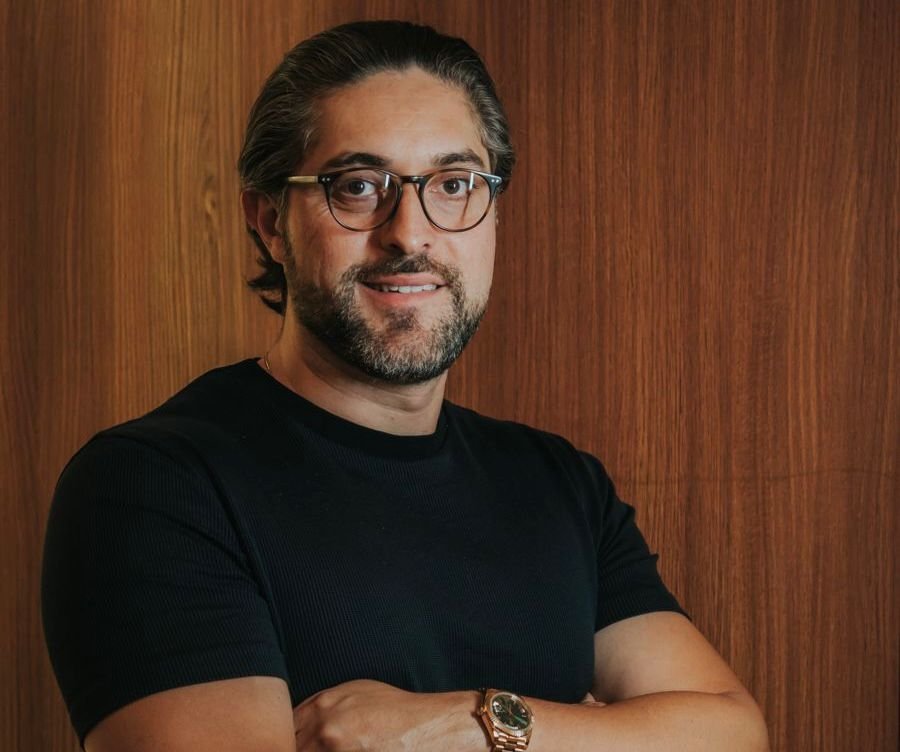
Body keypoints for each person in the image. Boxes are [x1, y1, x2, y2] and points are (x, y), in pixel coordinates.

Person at [42, 20, 768, 752]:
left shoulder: (559, 484)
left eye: (454, 185)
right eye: (359, 187)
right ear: (270, 223)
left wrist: (470, 724)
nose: (410, 233)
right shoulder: (155, 485)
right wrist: (602, 731)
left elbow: (733, 732)